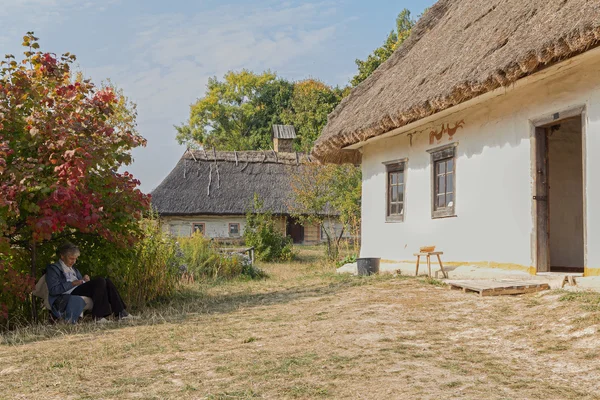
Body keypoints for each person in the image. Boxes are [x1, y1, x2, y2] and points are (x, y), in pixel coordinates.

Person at [46, 241, 134, 323]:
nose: (74, 261)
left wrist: (84, 280)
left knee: (106, 281)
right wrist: (73, 283)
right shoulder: (53, 269)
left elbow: (80, 283)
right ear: (62, 256)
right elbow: (53, 290)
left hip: (76, 290)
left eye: (75, 259)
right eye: (71, 258)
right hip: (66, 295)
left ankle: (121, 313)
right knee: (100, 281)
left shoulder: (73, 269)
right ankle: (98, 317)